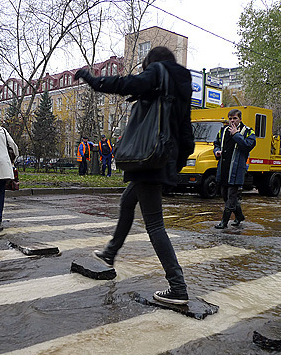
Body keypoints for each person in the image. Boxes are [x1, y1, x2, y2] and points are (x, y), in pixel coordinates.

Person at [75, 46, 195, 305]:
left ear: (153, 62)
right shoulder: (180, 87)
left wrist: (95, 81)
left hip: (148, 159)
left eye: (146, 66)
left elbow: (129, 83)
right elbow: (186, 135)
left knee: (154, 225)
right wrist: (175, 165)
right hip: (160, 159)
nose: (146, 70)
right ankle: (111, 251)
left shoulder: (158, 72)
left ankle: (178, 287)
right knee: (128, 201)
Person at [213, 109, 256, 229]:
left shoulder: (248, 131)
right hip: (223, 169)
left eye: (235, 118)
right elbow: (216, 143)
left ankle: (224, 222)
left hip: (236, 170)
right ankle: (239, 216)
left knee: (231, 197)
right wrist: (217, 151)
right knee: (225, 196)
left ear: (240, 119)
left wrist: (236, 134)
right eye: (230, 118)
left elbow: (248, 146)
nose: (232, 121)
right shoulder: (223, 130)